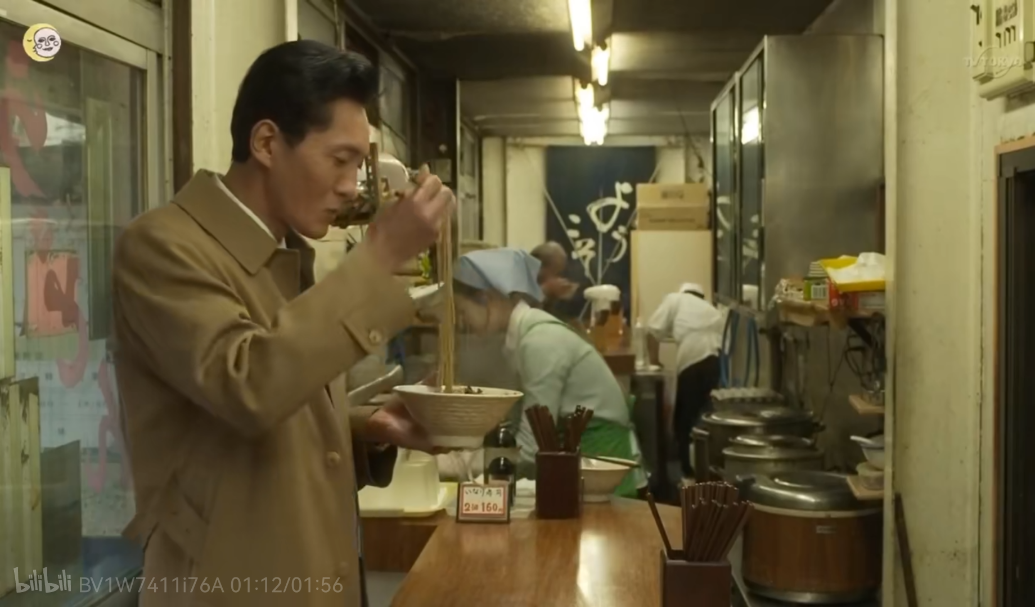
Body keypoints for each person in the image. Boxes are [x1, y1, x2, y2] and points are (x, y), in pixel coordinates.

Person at [112, 41, 453, 607]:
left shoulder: (285, 255)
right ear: (267, 143)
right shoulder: (162, 247)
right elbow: (247, 385)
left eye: (358, 165)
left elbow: (257, 415)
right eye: (339, 160)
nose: (351, 186)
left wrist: (366, 427)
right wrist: (380, 257)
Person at [454, 248, 646, 497]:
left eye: (462, 311)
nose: (462, 322)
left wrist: (459, 464)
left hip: (601, 464)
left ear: (485, 299)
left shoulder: (539, 341)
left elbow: (531, 445)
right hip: (581, 462)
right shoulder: (528, 335)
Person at [647, 283, 726, 480]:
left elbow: (652, 331)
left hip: (692, 366)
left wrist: (654, 361)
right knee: (707, 419)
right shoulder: (712, 310)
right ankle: (707, 470)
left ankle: (687, 473)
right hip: (714, 365)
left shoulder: (675, 299)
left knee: (683, 421)